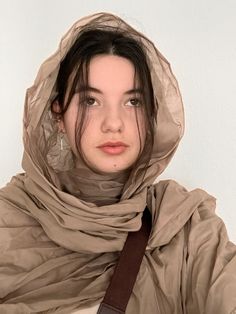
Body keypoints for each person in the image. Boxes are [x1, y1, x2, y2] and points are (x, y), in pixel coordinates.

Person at [0, 12, 235, 314]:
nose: (114, 123)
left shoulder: (184, 227)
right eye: (90, 101)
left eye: (132, 102)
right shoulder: (8, 220)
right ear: (58, 113)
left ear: (151, 114)